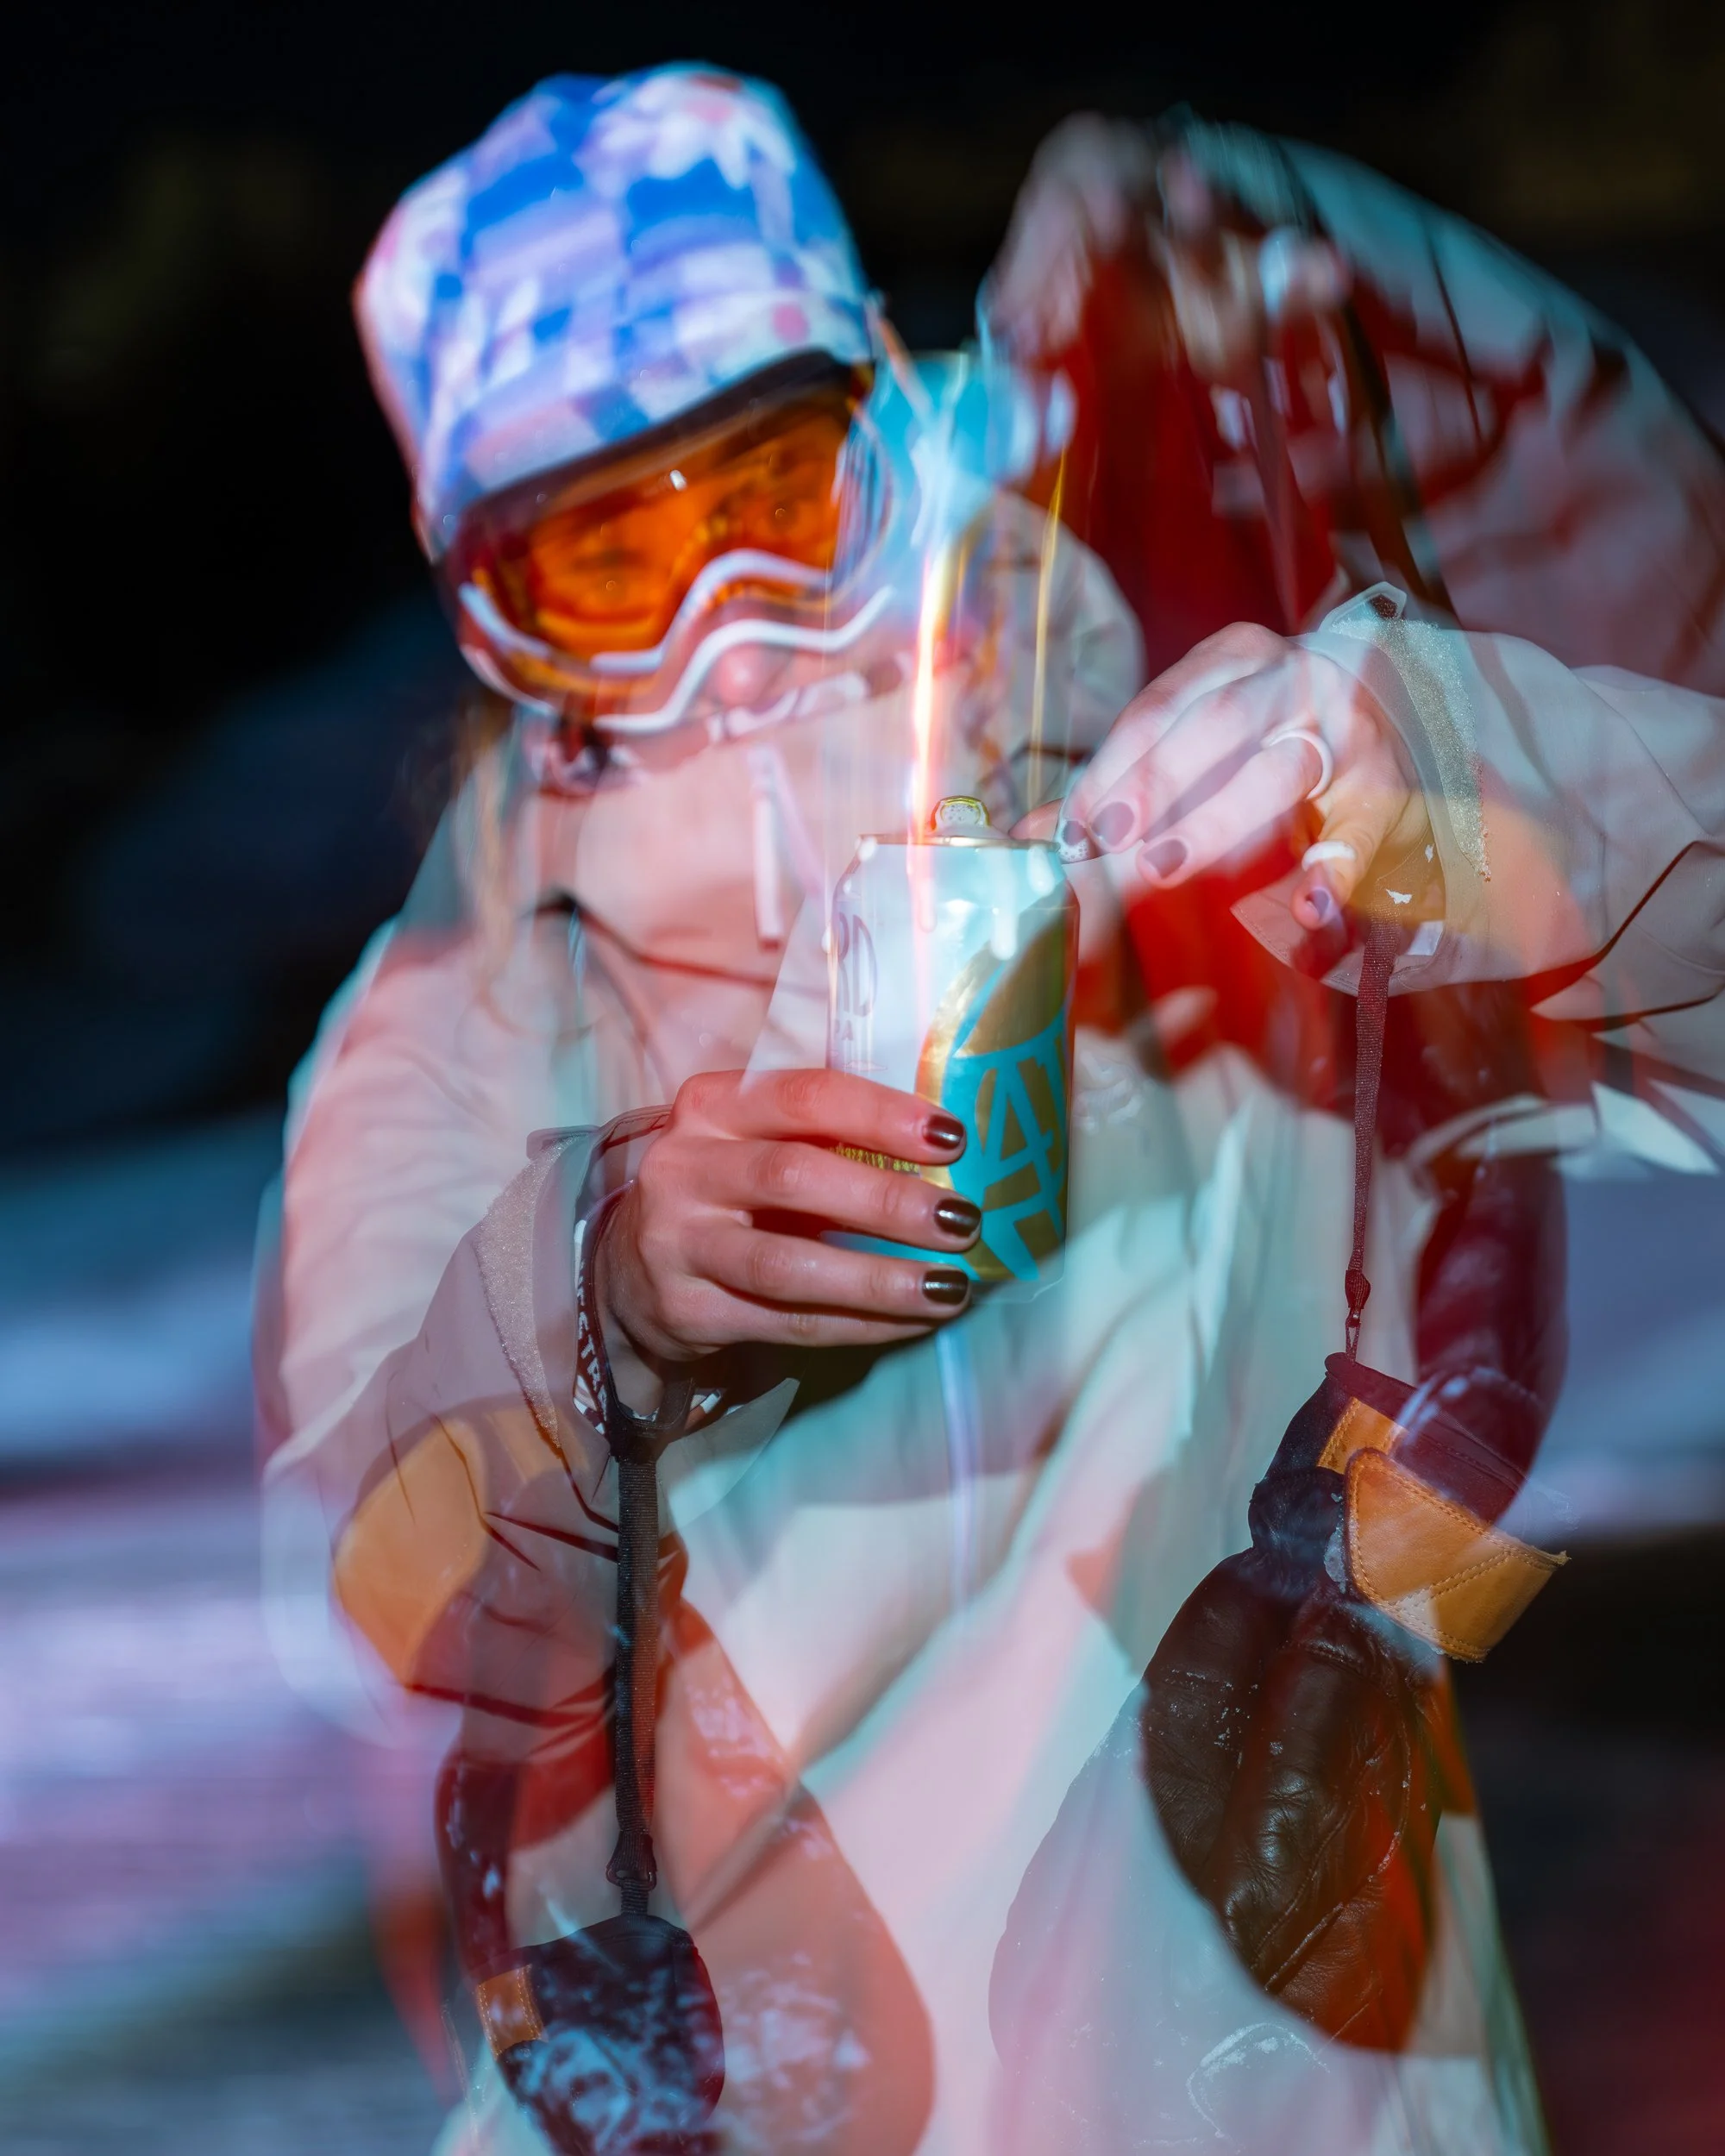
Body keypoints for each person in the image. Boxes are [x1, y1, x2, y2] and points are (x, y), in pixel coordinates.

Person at [258, 68, 1725, 2156]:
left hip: (1267, 2068)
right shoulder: (455, 1025)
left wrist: (1459, 792)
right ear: (505, 620)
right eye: (613, 562)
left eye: (764, 499)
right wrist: (593, 1294)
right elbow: (395, 1566)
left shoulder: (1199, 783)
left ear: (877, 425)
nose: (731, 640)